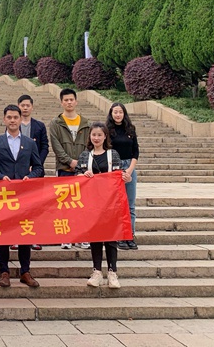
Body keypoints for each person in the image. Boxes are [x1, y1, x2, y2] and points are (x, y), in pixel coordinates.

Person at [0, 105, 44, 288]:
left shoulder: (30, 142)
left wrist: (30, 176)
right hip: (4, 195)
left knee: (25, 232)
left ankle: (25, 271)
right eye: (9, 117)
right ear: (4, 120)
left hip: (24, 195)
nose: (12, 120)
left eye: (15, 117)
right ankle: (4, 271)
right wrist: (0, 177)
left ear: (20, 119)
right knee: (4, 234)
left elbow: (39, 167)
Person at [76, 121, 130, 289]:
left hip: (111, 202)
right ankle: (97, 271)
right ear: (89, 137)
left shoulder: (112, 154)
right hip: (92, 203)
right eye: (94, 135)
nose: (96, 138)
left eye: (100, 135)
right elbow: (77, 174)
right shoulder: (85, 155)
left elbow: (119, 174)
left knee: (111, 237)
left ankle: (112, 272)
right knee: (95, 237)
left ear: (105, 136)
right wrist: (82, 175)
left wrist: (124, 177)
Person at [48, 88, 91, 250]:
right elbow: (56, 147)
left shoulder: (86, 123)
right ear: (61, 102)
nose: (69, 102)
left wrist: (80, 164)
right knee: (64, 204)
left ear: (76, 101)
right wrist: (70, 162)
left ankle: (82, 236)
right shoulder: (55, 123)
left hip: (83, 170)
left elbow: (90, 145)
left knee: (81, 205)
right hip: (64, 169)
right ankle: (66, 236)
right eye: (66, 100)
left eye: (71, 99)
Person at [16, 94, 51, 252]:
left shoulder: (39, 125)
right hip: (17, 173)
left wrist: (36, 165)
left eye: (27, 105)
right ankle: (16, 237)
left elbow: (45, 147)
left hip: (35, 171)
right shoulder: (14, 123)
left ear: (32, 107)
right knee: (17, 206)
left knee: (35, 206)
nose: (25, 108)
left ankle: (35, 237)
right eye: (22, 105)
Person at [107, 103, 140, 250]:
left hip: (129, 167)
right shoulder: (107, 130)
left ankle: (130, 236)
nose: (118, 114)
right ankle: (119, 236)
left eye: (120, 112)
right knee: (117, 205)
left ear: (124, 113)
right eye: (115, 112)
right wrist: (118, 170)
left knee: (130, 205)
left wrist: (129, 170)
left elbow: (135, 152)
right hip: (113, 168)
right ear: (111, 114)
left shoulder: (130, 130)